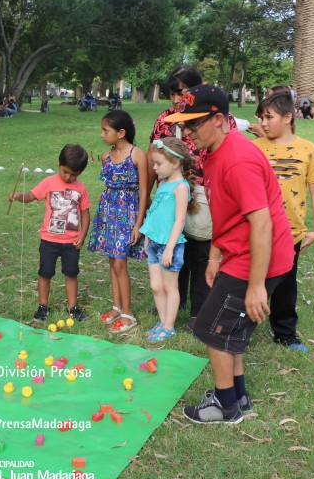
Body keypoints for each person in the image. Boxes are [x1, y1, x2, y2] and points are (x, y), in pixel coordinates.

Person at [164, 84, 294, 424]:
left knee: (212, 328)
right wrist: (214, 257)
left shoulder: (238, 160)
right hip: (239, 254)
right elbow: (226, 212)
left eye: (193, 125)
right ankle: (238, 397)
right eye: (183, 126)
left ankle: (225, 406)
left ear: (220, 120)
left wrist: (255, 286)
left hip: (258, 257)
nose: (187, 133)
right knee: (231, 329)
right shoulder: (215, 150)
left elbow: (261, 225)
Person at [148, 66, 240, 327]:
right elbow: (151, 154)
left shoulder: (218, 120)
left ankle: (200, 310)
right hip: (172, 194)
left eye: (182, 93)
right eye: (172, 94)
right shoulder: (165, 119)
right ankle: (170, 302)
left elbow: (226, 151)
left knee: (200, 251)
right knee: (173, 245)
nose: (177, 100)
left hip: (203, 195)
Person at [254, 91, 314, 353]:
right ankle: (241, 327)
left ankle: (285, 333)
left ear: (288, 117)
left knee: (285, 285)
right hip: (258, 230)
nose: (263, 123)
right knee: (252, 280)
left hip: (291, 233)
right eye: (260, 117)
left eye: (268, 117)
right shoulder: (254, 148)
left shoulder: (308, 149)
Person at [9, 144, 91, 322]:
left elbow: (85, 213)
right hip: (49, 240)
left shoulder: (81, 189)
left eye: (74, 174)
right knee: (45, 273)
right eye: (65, 172)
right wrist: (18, 196)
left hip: (71, 242)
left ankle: (73, 308)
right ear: (59, 164)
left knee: (71, 273)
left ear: (80, 173)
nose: (69, 177)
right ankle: (43, 307)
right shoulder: (48, 182)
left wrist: (82, 235)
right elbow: (31, 196)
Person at [89, 110, 148, 333]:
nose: (102, 134)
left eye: (106, 130)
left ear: (121, 133)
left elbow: (144, 191)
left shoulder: (137, 155)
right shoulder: (105, 156)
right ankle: (116, 306)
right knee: (112, 262)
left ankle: (128, 313)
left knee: (121, 262)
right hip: (108, 213)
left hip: (128, 214)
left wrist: (138, 223)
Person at [140, 137, 196, 342]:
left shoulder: (180, 187)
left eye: (158, 163)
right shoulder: (164, 183)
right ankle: (162, 322)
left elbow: (179, 220)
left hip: (169, 246)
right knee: (156, 286)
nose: (154, 167)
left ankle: (169, 326)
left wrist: (170, 248)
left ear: (175, 163)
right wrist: (148, 236)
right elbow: (155, 212)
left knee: (170, 286)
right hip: (155, 243)